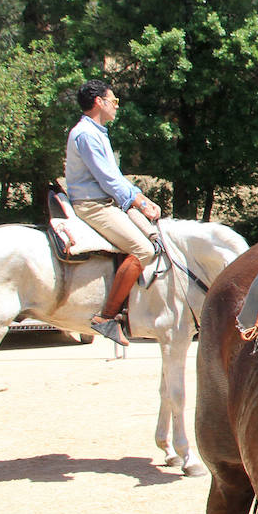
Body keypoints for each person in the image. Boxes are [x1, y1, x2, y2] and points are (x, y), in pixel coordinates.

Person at [64, 79, 163, 346]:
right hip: (94, 205)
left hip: (107, 202)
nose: (117, 107)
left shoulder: (97, 132)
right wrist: (140, 203)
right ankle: (106, 317)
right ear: (99, 102)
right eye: (114, 101)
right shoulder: (85, 134)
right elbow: (108, 179)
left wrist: (138, 199)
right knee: (144, 250)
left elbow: (115, 178)